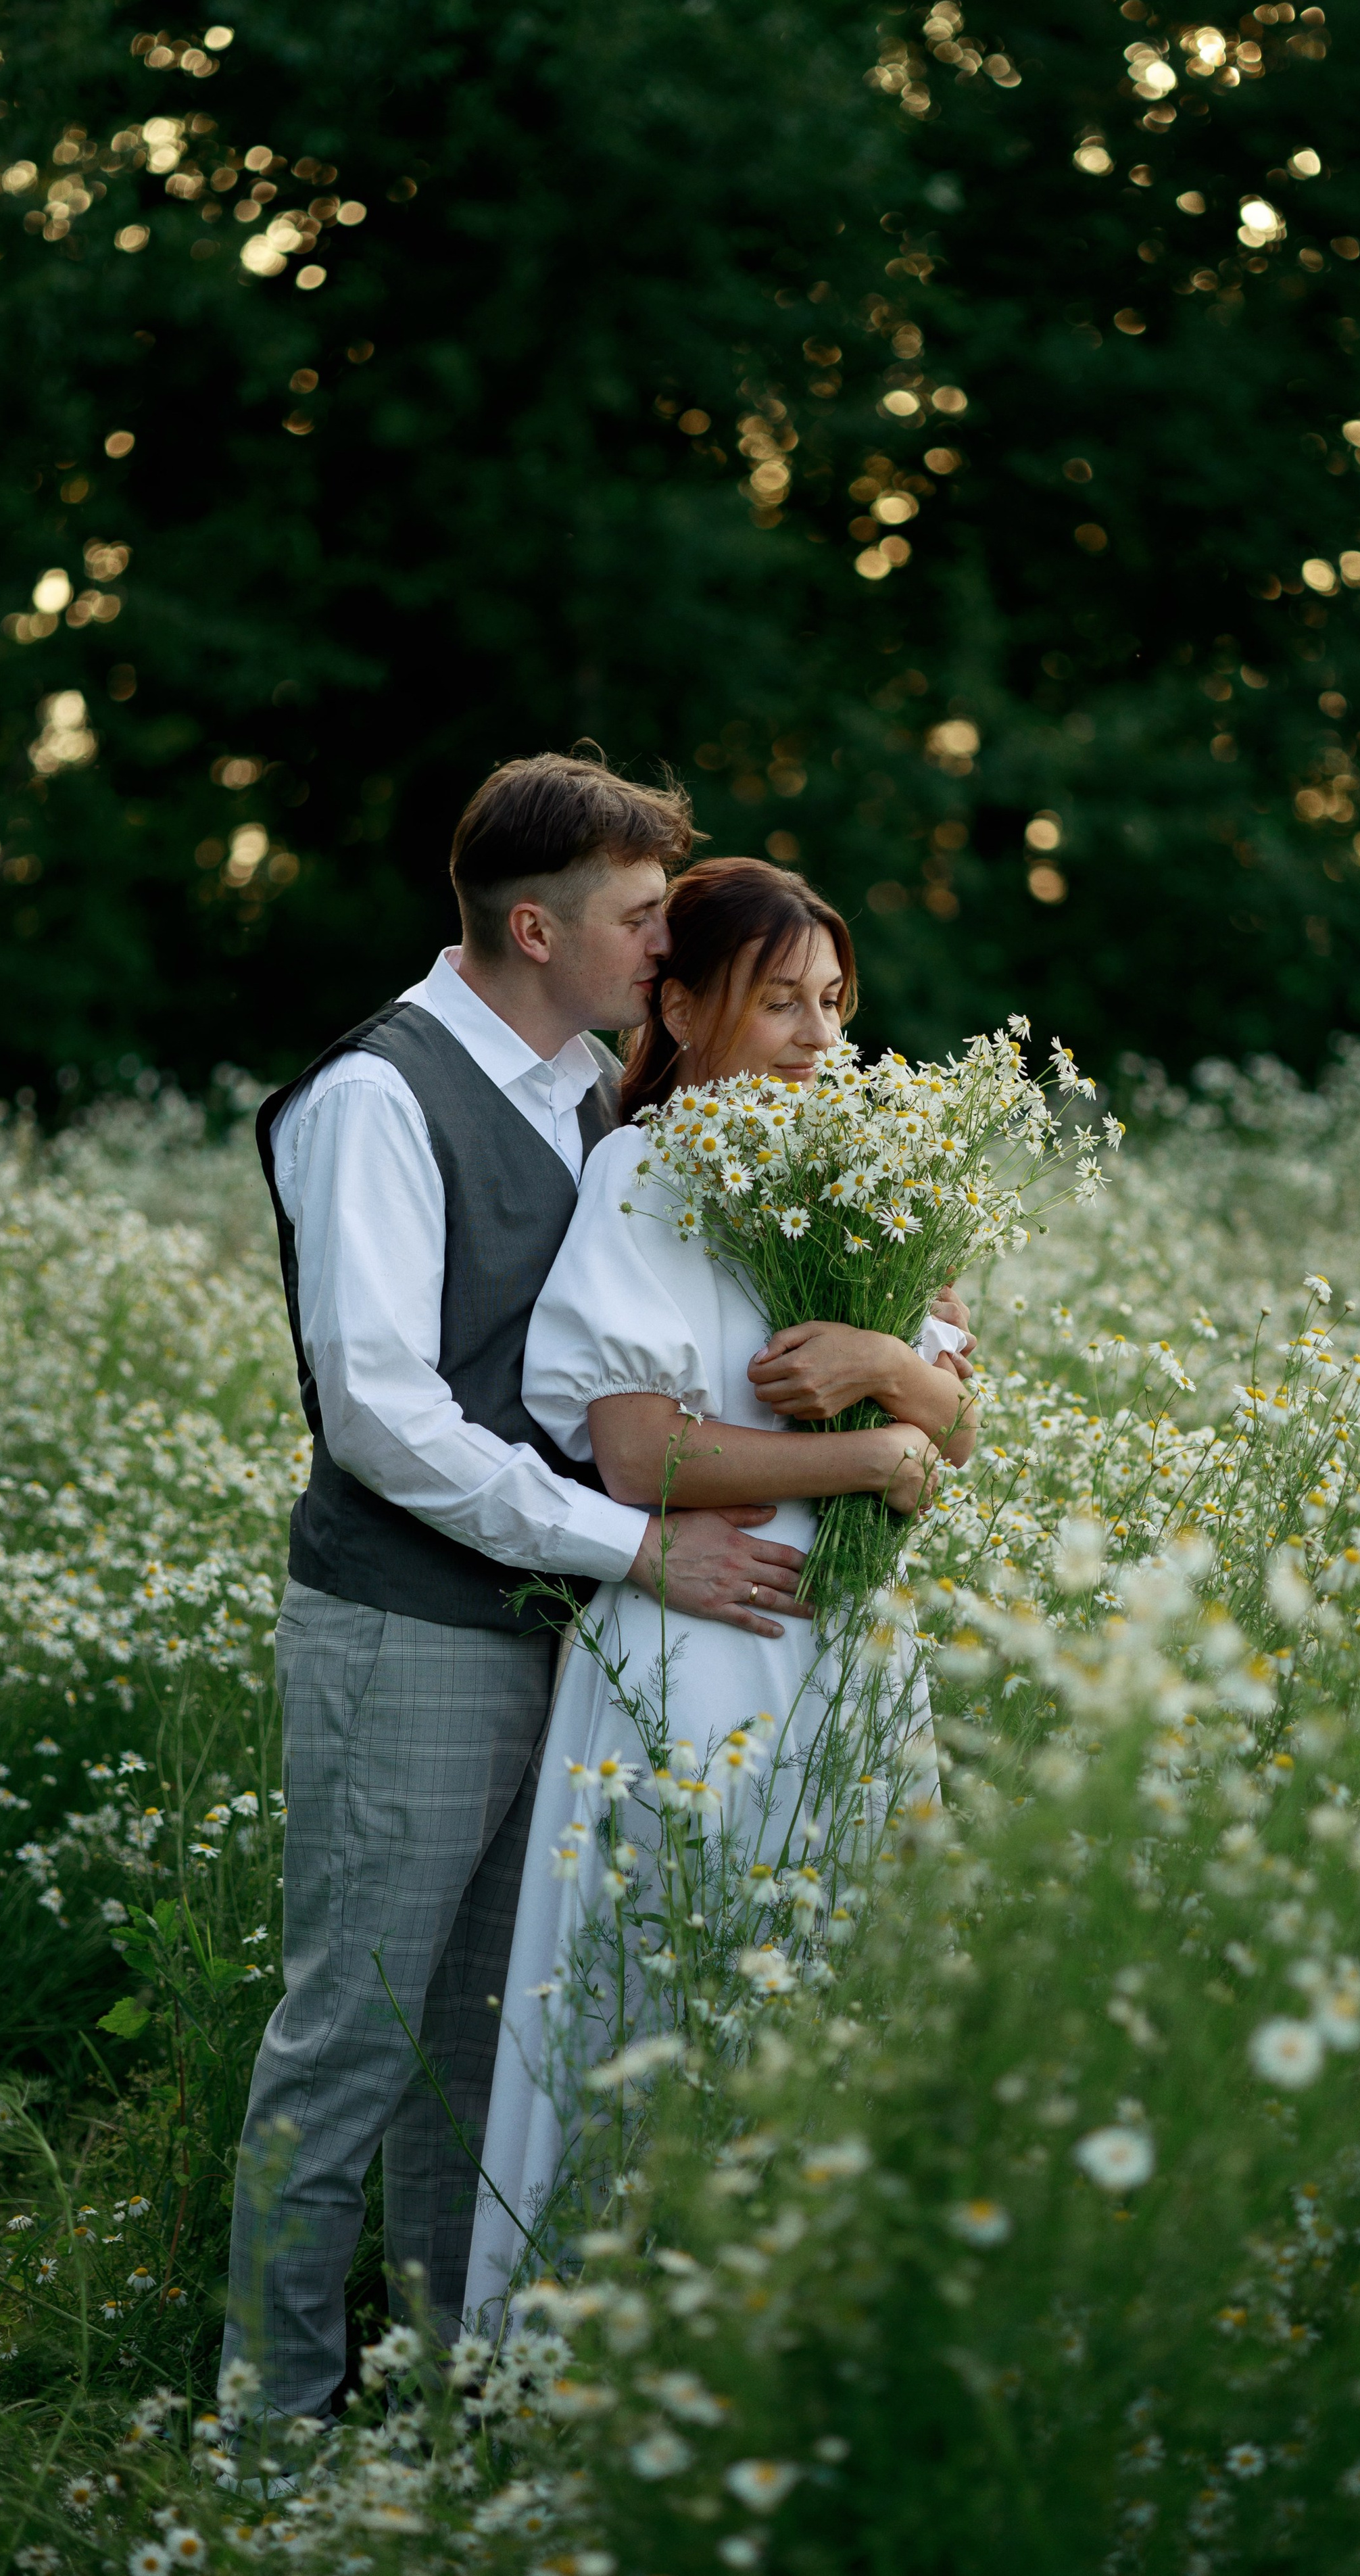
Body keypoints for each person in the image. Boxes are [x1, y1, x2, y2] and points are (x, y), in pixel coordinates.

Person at [222, 761, 815, 2423]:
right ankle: (265, 2416)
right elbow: (382, 1413)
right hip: (406, 1619)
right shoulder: (378, 1097)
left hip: (545, 1623)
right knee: (353, 2028)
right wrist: (631, 1545)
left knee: (478, 2043)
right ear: (535, 922)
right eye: (640, 914)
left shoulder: (576, 1093)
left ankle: (441, 2382)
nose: (664, 939)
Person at [463, 858, 975, 2320]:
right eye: (777, 1002)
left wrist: (888, 1377)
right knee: (668, 1977)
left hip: (848, 1646)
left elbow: (956, 1421)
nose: (819, 1036)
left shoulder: (872, 1175)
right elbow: (638, 1455)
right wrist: (874, 1447)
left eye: (833, 1002)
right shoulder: (645, 1172)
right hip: (702, 1631)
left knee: (844, 1971)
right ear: (680, 1009)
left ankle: (814, 2327)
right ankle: (603, 2333)